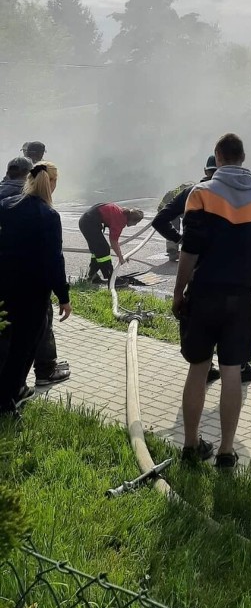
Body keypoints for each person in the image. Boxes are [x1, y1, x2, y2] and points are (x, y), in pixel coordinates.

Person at [173, 132, 251, 468]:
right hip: (242, 297)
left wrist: (178, 291)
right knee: (232, 373)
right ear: (243, 158)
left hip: (204, 295)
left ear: (218, 157)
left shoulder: (200, 194)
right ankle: (227, 451)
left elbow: (189, 250)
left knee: (198, 370)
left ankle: (190, 445)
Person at [153, 155, 251, 385]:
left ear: (207, 169)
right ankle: (239, 367)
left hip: (200, 279)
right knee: (233, 345)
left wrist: (181, 240)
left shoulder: (192, 192)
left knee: (200, 351)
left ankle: (207, 368)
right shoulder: (245, 192)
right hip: (238, 281)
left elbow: (160, 219)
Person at [0, 162, 71, 417]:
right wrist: (64, 298)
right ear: (50, 184)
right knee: (24, 348)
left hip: (5, 287)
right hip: (33, 293)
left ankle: (9, 392)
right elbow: (54, 260)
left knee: (6, 343)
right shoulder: (49, 216)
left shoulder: (6, 207)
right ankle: (8, 401)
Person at [79, 203, 144, 283]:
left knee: (98, 251)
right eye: (136, 223)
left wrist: (120, 255)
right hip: (89, 223)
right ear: (132, 219)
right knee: (103, 250)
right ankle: (112, 278)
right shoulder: (120, 220)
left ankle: (92, 276)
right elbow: (113, 241)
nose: (135, 225)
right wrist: (120, 257)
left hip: (88, 220)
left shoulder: (121, 212)